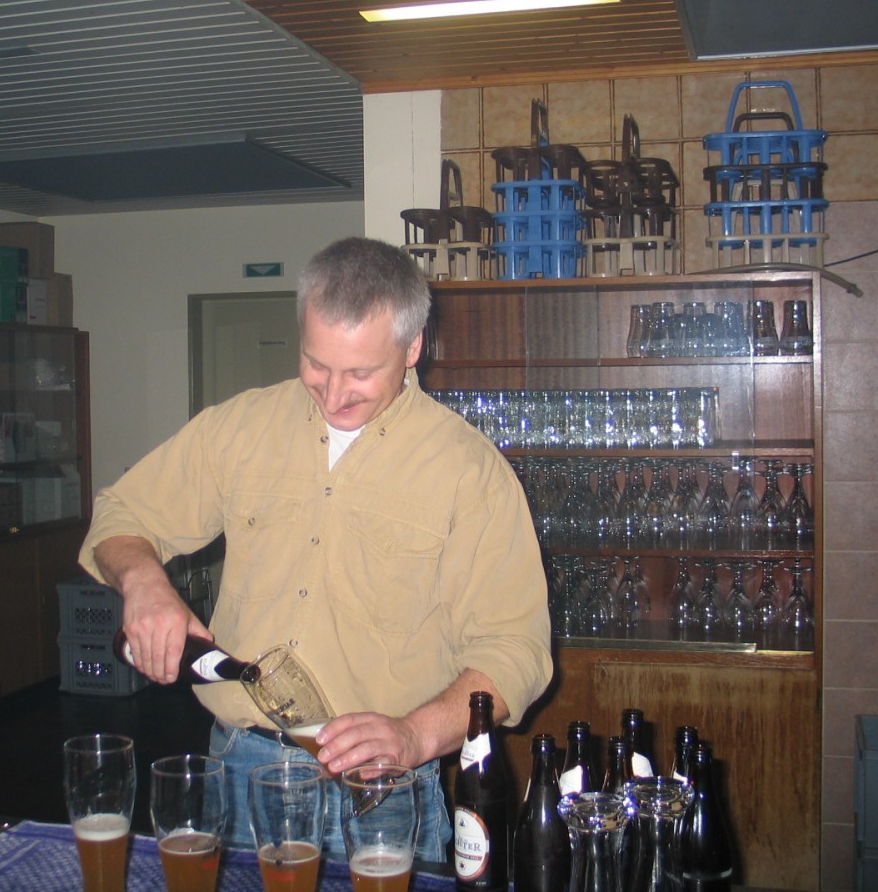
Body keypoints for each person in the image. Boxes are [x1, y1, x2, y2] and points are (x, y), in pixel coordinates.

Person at [79, 236, 552, 861]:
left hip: (383, 791)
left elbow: (514, 650)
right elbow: (122, 514)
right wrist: (144, 585)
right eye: (316, 365)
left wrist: (413, 735)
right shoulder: (241, 427)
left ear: (413, 347)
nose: (333, 395)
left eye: (360, 373)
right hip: (241, 770)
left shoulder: (471, 472)